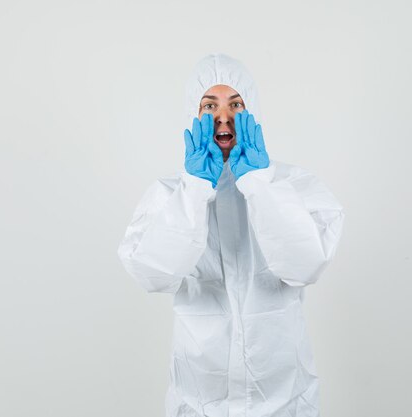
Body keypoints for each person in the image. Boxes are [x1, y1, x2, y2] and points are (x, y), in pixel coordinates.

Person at [117, 53, 345, 417]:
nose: (223, 116)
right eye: (210, 105)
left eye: (235, 104)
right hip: (198, 402)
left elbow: (304, 266)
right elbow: (154, 273)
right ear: (194, 117)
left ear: (252, 113)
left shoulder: (293, 186)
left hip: (284, 401)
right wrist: (194, 189)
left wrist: (259, 184)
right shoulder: (170, 195)